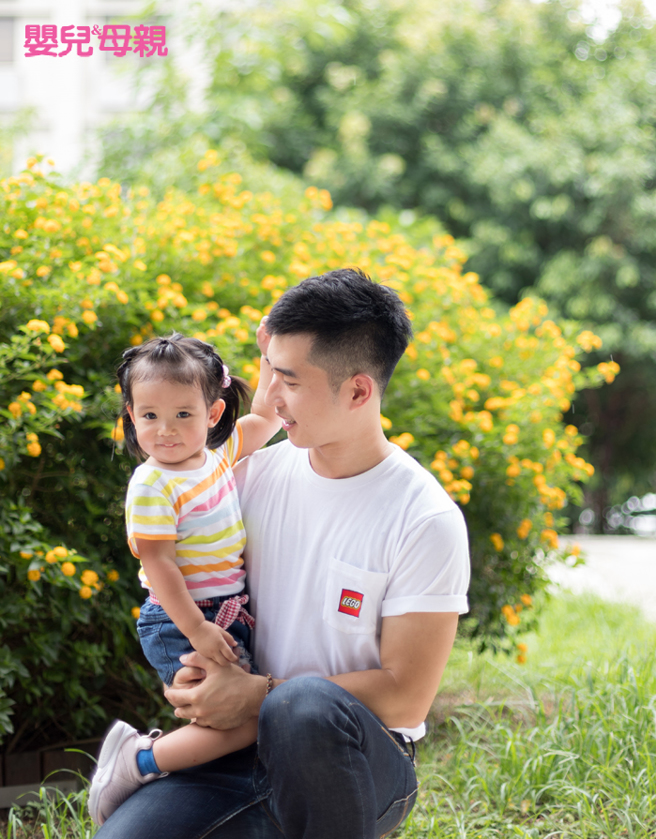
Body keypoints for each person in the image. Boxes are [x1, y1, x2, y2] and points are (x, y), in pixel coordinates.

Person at [94, 268, 470, 839]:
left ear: (358, 390)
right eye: (271, 371)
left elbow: (405, 696)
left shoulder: (424, 518)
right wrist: (197, 672)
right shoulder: (246, 477)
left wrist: (260, 694)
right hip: (237, 755)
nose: (270, 396)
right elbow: (184, 582)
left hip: (355, 764)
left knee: (304, 708)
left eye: (289, 380)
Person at [89, 328, 281, 826]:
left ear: (212, 414)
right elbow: (159, 565)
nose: (165, 430)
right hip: (179, 620)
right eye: (149, 416)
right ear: (131, 414)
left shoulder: (216, 457)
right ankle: (136, 763)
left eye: (183, 415)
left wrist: (270, 359)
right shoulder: (152, 483)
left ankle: (177, 782)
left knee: (235, 719)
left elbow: (266, 416)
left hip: (222, 615)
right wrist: (196, 628)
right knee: (238, 721)